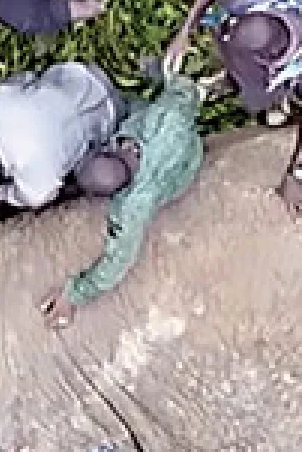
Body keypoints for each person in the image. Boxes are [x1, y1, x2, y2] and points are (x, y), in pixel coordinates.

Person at [164, 0, 302, 218]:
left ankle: (273, 99)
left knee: (266, 98)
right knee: (240, 63)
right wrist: (184, 33)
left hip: (280, 66)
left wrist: (295, 173)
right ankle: (235, 78)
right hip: (251, 40)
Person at [38, 72, 203, 328]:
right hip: (178, 143)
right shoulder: (165, 116)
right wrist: (173, 73)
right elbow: (186, 92)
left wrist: (74, 294)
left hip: (180, 172)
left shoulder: (131, 208)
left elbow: (117, 264)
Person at [0, 62, 127, 210]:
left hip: (112, 116)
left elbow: (31, 198)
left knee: (78, 176)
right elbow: (27, 77)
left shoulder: (36, 182)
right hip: (83, 73)